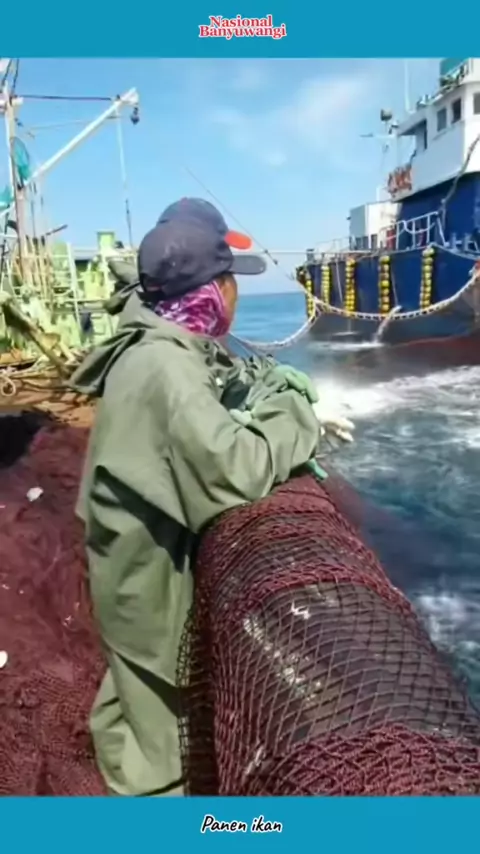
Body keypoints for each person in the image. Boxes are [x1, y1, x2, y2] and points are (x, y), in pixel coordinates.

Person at [71, 214, 353, 797]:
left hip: (133, 556)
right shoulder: (166, 368)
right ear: (209, 292)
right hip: (144, 573)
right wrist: (298, 417)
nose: (237, 294)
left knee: (137, 688)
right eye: (230, 281)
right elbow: (236, 470)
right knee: (156, 726)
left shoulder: (159, 343)